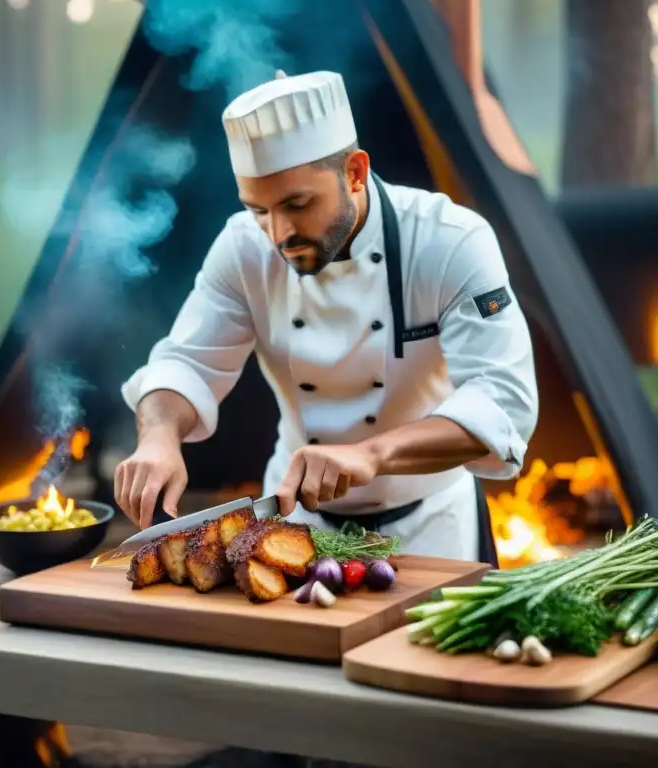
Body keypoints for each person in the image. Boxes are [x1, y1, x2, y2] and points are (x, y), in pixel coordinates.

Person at [113, 70, 538, 565]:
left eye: (298, 204)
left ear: (355, 171)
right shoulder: (243, 246)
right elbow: (187, 362)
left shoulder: (451, 240)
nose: (278, 233)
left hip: (433, 529)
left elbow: (502, 403)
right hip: (293, 527)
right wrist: (159, 437)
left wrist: (371, 454)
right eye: (258, 210)